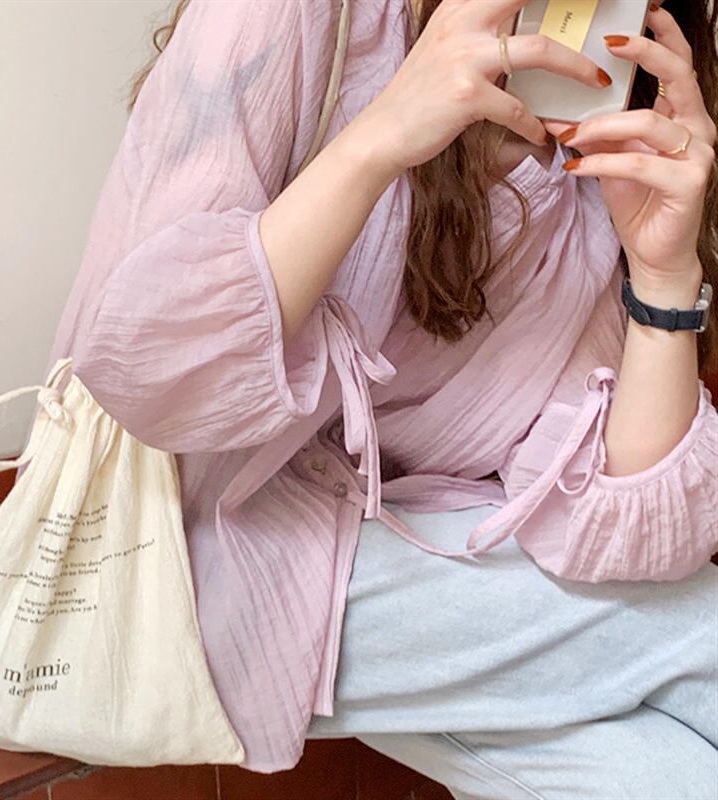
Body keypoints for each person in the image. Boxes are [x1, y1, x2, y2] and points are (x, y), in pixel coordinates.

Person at [38, 0, 718, 796]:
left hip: (426, 564)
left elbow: (620, 541)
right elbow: (151, 378)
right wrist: (382, 137)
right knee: (701, 635)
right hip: (198, 555)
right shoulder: (288, 18)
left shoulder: (606, 105)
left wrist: (664, 280)